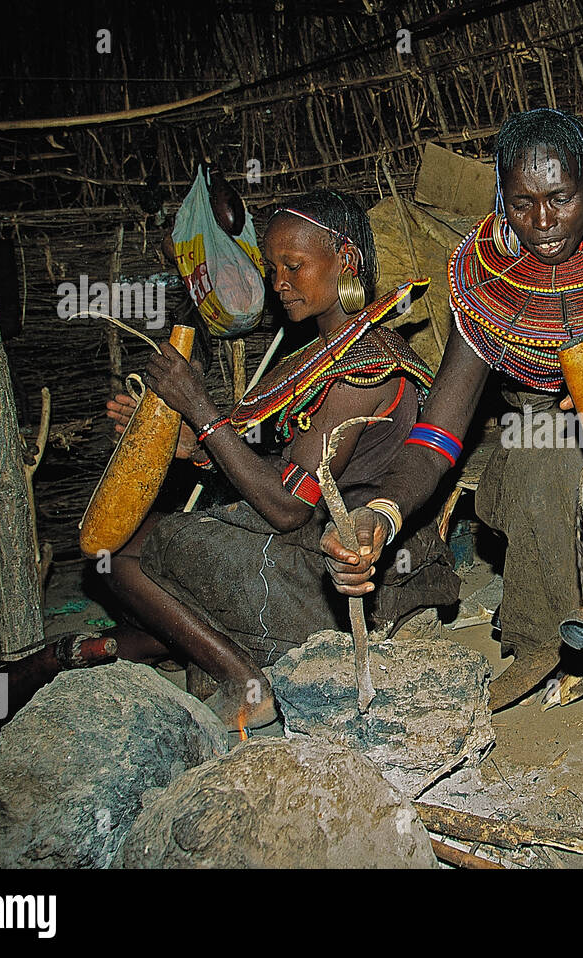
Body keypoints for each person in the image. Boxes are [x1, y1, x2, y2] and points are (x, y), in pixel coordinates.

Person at [323, 109, 583, 756]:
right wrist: (380, 512)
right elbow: (436, 439)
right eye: (523, 204)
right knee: (546, 451)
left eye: (561, 199)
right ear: (502, 201)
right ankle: (558, 627)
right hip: (542, 432)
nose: (543, 222)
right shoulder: (487, 289)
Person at [101, 189, 458, 732]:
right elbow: (284, 463)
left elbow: (289, 505)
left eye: (293, 266)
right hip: (321, 544)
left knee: (123, 553)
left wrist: (200, 409)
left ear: (346, 261)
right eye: (272, 269)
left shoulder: (366, 367)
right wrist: (193, 447)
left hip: (351, 566)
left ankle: (245, 680)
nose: (278, 283)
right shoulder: (325, 354)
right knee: (149, 540)